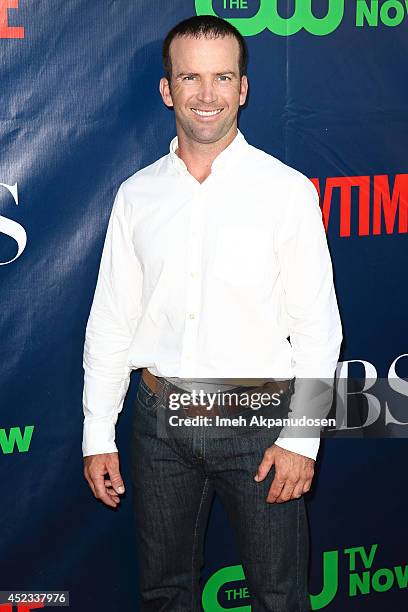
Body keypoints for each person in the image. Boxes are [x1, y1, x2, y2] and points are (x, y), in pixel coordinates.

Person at [82, 14, 342, 612]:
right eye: (190, 78)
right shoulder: (136, 195)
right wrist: (98, 433)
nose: (207, 94)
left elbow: (317, 330)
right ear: (167, 89)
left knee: (280, 598)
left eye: (222, 77)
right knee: (165, 594)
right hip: (159, 422)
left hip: (260, 421)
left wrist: (302, 439)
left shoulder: (287, 191)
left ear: (243, 89)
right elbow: (112, 321)